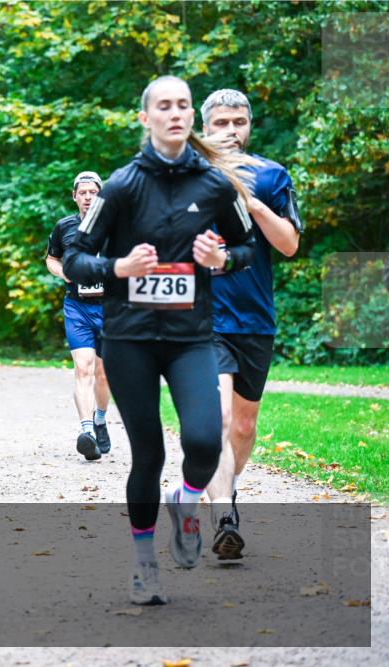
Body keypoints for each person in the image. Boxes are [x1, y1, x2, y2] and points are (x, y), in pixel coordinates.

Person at [63, 75, 257, 605]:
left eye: (183, 106)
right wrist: (118, 266)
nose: (175, 114)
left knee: (202, 441)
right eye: (163, 106)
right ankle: (145, 566)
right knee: (146, 455)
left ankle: (186, 499)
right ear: (145, 118)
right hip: (130, 339)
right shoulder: (122, 186)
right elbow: (78, 257)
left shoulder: (216, 186)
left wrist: (223, 259)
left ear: (191, 117)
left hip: (192, 336)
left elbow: (248, 248)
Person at [199, 89, 302, 560]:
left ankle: (227, 486)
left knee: (243, 426)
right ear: (205, 128)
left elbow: (289, 245)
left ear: (250, 125)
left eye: (239, 121)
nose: (231, 131)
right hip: (202, 320)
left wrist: (254, 204)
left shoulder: (272, 175)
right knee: (218, 418)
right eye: (220, 123)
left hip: (255, 319)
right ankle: (224, 515)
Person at [45, 171, 113, 460]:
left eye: (92, 192)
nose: (87, 197)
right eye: (82, 193)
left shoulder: (115, 225)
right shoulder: (65, 227)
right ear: (74, 197)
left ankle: (99, 419)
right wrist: (65, 274)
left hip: (110, 307)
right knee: (83, 368)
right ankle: (86, 433)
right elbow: (51, 258)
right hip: (77, 307)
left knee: (103, 374)